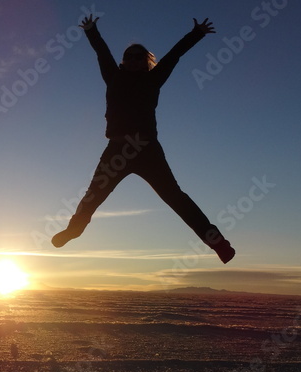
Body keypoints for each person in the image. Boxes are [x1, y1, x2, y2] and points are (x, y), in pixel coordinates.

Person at [51, 14, 233, 263]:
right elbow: (102, 53)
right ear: (124, 61)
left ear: (146, 62)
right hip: (117, 149)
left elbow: (174, 56)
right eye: (129, 56)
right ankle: (74, 230)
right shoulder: (113, 77)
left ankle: (218, 243)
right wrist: (91, 30)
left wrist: (196, 34)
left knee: (176, 198)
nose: (134, 60)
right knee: (93, 195)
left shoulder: (153, 79)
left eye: (140, 56)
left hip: (147, 150)